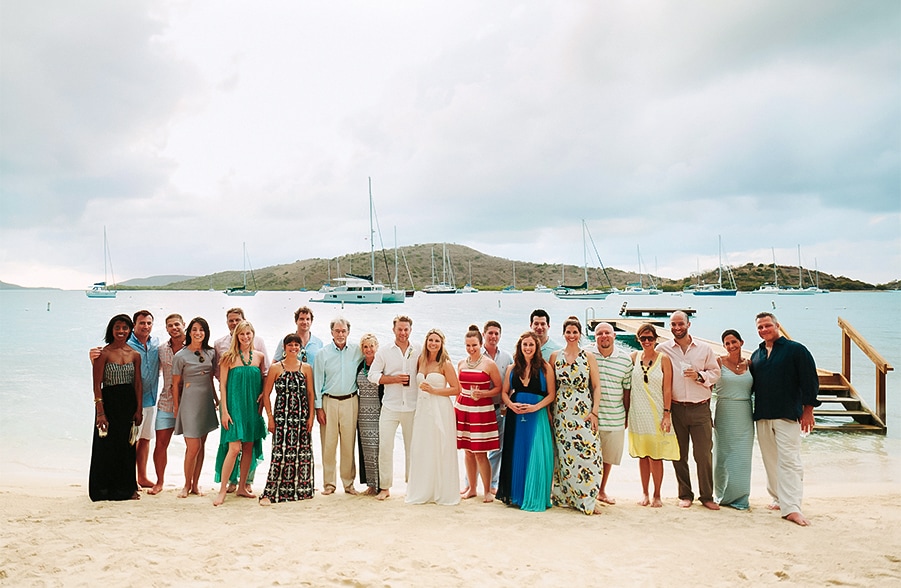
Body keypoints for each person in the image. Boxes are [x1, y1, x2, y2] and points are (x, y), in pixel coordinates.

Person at [750, 312, 820, 527]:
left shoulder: (796, 350)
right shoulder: (757, 354)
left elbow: (810, 381)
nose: (764, 330)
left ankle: (792, 508)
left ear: (777, 325)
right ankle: (778, 498)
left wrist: (808, 410)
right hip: (762, 415)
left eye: (767, 326)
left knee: (790, 461)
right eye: (760, 327)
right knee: (770, 461)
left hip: (788, 415)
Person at [656, 310, 721, 510]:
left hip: (700, 408)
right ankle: (685, 494)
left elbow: (716, 372)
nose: (676, 328)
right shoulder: (663, 348)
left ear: (688, 324)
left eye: (680, 324)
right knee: (679, 454)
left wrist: (700, 376)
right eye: (673, 324)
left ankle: (707, 496)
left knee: (703, 454)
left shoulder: (704, 348)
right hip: (676, 409)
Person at [549, 316, 604, 515]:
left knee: (589, 454)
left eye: (575, 332)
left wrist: (594, 412)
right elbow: (551, 388)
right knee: (564, 455)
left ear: (580, 334)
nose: (571, 335)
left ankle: (588, 498)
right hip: (562, 413)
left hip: (583, 411)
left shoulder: (588, 356)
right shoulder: (555, 356)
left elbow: (596, 386)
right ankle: (566, 496)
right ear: (563, 334)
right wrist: (549, 412)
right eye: (568, 332)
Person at [496, 331, 556, 512]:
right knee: (517, 453)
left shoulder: (545, 368)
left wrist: (535, 408)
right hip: (516, 417)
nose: (528, 348)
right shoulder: (512, 369)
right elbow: (505, 393)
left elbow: (552, 394)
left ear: (537, 347)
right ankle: (517, 495)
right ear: (520, 348)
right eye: (525, 345)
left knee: (537, 453)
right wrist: (510, 405)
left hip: (537, 415)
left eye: (531, 344)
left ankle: (535, 495)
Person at [213, 307, 269, 493]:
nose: (245, 337)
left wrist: (263, 395)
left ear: (253, 335)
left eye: (248, 333)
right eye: (242, 334)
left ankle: (242, 488)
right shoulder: (227, 357)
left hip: (251, 408)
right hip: (233, 408)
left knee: (248, 447)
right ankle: (222, 490)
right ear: (236, 336)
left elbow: (265, 379)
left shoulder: (259, 357)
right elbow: (222, 386)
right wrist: (225, 411)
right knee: (234, 448)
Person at [89, 314, 143, 501]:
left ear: (130, 330)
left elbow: (137, 384)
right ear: (111, 330)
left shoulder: (135, 355)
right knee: (106, 447)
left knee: (127, 447)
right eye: (117, 327)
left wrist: (139, 410)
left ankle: (127, 489)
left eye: (125, 328)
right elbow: (97, 385)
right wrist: (100, 412)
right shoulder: (103, 353)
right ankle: (103, 490)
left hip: (128, 404)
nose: (121, 331)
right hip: (109, 403)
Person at [406, 328, 461, 505]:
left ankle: (442, 490)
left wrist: (435, 390)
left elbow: (457, 389)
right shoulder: (421, 359)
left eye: (437, 341)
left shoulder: (445, 363)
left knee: (441, 446)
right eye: (431, 340)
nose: (433, 343)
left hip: (440, 408)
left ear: (441, 343)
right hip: (423, 409)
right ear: (426, 342)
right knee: (423, 447)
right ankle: (424, 489)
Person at [259, 333, 316, 505]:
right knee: (280, 454)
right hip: (281, 417)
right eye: (290, 345)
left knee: (302, 454)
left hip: (301, 416)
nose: (293, 348)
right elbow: (266, 395)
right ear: (284, 347)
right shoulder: (276, 368)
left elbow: (310, 394)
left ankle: (302, 490)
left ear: (300, 348)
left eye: (297, 345)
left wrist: (311, 416)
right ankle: (270, 493)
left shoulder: (306, 368)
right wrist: (270, 418)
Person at [368, 315, 419, 501]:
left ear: (410, 330)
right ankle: (385, 487)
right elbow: (372, 375)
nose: (403, 333)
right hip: (390, 406)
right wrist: (393, 379)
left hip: (413, 407)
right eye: (400, 329)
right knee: (386, 447)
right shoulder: (384, 352)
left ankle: (412, 486)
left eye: (406, 329)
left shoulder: (419, 350)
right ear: (394, 330)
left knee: (412, 448)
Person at [628, 323, 678, 508]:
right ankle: (645, 493)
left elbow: (667, 389)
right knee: (643, 455)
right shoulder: (633, 357)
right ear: (638, 340)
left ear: (656, 339)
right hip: (638, 413)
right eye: (643, 338)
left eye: (650, 338)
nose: (647, 341)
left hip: (657, 413)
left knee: (656, 456)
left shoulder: (664, 359)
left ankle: (657, 494)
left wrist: (667, 413)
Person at [313, 317, 363, 495]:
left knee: (349, 444)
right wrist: (318, 408)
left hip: (351, 401)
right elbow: (317, 381)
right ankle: (329, 484)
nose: (340, 334)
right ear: (331, 332)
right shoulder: (322, 353)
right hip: (329, 402)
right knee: (328, 444)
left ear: (348, 332)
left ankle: (348, 484)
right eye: (337, 331)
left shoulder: (357, 351)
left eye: (343, 331)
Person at [585, 321, 632, 506]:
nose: (604, 336)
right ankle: (588, 490)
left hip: (615, 415)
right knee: (588, 456)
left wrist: (627, 414)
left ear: (614, 335)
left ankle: (601, 490)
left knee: (608, 457)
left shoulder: (625, 359)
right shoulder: (586, 354)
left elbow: (627, 389)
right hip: (589, 415)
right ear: (594, 337)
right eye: (599, 333)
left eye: (607, 333)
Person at [172, 317, 219, 498]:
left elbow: (211, 378)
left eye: (202, 329)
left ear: (206, 333)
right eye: (194, 329)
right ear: (189, 332)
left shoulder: (211, 353)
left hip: (206, 401)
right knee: (193, 446)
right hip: (189, 402)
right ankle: (185, 485)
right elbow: (175, 384)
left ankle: (195, 485)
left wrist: (216, 399)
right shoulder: (180, 356)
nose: (198, 332)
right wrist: (177, 408)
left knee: (202, 445)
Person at [455, 325, 501, 502]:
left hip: (482, 410)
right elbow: (458, 388)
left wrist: (484, 394)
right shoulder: (460, 363)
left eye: (474, 345)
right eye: (468, 345)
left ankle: (487, 490)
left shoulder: (489, 364)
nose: (471, 348)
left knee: (480, 452)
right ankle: (472, 488)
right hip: (463, 408)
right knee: (467, 451)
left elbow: (498, 388)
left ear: (481, 344)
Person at [713, 329, 754, 510]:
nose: (731, 346)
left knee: (743, 457)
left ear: (741, 342)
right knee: (722, 456)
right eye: (727, 343)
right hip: (724, 410)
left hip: (745, 412)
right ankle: (721, 495)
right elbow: (707, 386)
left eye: (734, 342)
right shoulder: (718, 362)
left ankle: (740, 497)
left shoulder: (751, 364)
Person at [148, 313, 185, 495]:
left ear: (183, 324)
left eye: (177, 324)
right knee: (161, 444)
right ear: (166, 328)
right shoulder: (161, 349)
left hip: (189, 403)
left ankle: (191, 483)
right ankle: (159, 481)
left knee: (193, 445)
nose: (174, 328)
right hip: (166, 402)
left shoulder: (194, 346)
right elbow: (151, 370)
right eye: (170, 325)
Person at [129, 310, 161, 489]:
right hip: (133, 402)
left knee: (146, 439)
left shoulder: (155, 342)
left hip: (151, 399)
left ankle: (142, 477)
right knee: (131, 441)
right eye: (142, 323)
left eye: (149, 323)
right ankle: (129, 478)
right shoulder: (127, 343)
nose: (146, 326)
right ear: (134, 325)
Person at [481, 320, 513, 495]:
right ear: (484, 334)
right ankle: (470, 483)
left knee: (497, 447)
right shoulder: (477, 354)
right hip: (479, 407)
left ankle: (492, 482)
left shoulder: (507, 357)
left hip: (499, 408)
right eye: (490, 333)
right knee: (476, 448)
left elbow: (511, 382)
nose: (493, 336)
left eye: (496, 333)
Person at [356, 333, 383, 495]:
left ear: (377, 347)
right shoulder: (360, 365)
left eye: (371, 346)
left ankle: (381, 484)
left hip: (378, 411)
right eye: (365, 346)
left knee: (378, 448)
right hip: (362, 412)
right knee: (365, 448)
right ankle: (371, 485)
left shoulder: (381, 365)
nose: (368, 349)